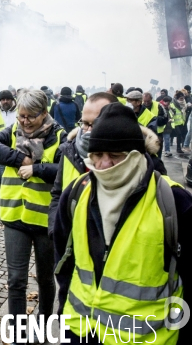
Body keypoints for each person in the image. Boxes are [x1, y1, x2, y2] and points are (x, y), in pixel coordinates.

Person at [54, 103, 192, 344]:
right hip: (81, 332)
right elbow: (65, 262)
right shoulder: (76, 193)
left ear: (135, 155)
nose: (104, 165)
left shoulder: (174, 201)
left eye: (114, 156)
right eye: (97, 155)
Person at [0, 89, 66, 340]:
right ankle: (18, 333)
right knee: (16, 279)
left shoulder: (59, 136)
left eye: (30, 117)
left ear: (44, 113)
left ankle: (43, 325)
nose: (25, 122)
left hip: (44, 220)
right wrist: (20, 158)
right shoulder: (12, 132)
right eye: (21, 116)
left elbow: (63, 169)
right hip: (14, 216)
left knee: (45, 279)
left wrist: (37, 168)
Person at [48, 92, 118, 236]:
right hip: (73, 242)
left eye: (97, 123)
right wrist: (56, 230)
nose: (89, 131)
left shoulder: (134, 155)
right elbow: (57, 194)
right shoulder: (69, 150)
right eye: (85, 124)